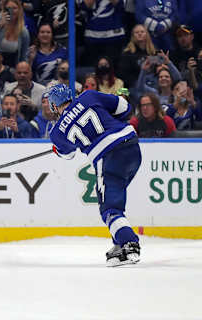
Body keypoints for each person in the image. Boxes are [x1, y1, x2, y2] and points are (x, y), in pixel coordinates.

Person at [47, 83, 141, 267]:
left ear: (54, 106)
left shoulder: (57, 132)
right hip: (132, 146)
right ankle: (119, 240)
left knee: (109, 209)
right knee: (116, 195)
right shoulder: (88, 97)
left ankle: (129, 244)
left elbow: (68, 154)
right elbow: (124, 108)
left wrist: (57, 150)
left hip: (108, 158)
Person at [118, 24, 158, 88]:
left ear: (147, 34)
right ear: (133, 36)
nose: (140, 34)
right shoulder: (127, 54)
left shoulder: (154, 52)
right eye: (136, 32)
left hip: (153, 84)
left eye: (142, 32)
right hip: (135, 86)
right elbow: (124, 75)